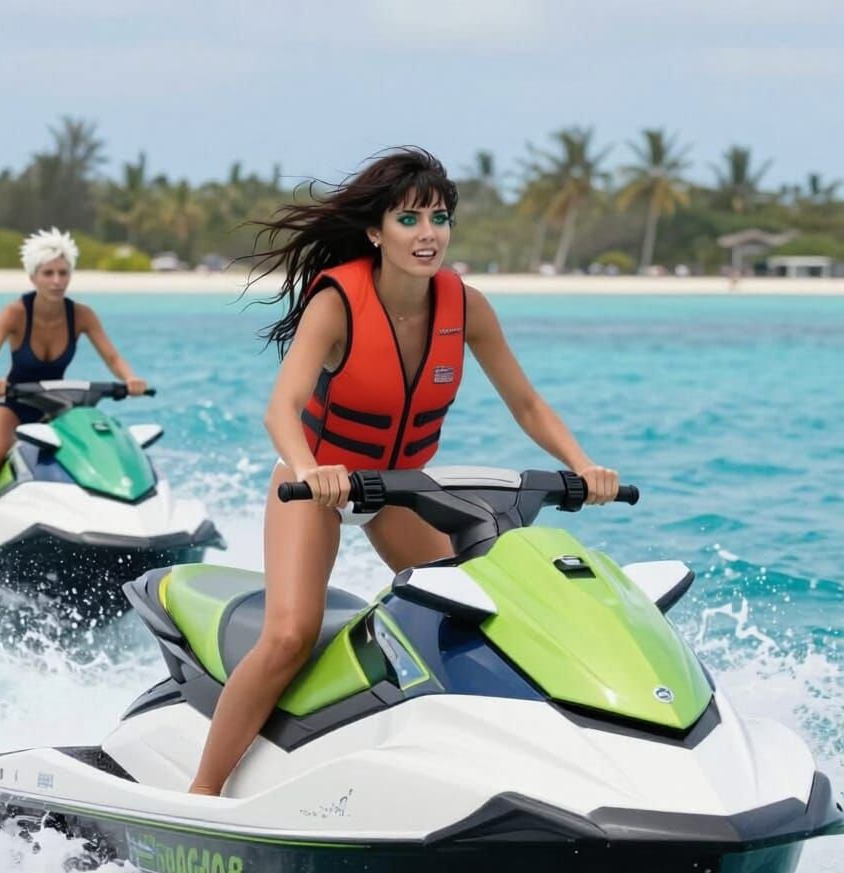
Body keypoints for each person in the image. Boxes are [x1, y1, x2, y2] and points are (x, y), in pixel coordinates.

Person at [189, 148, 620, 796]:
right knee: (288, 635)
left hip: (402, 489)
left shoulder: (467, 306)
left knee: (485, 613)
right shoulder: (337, 303)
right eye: (409, 219)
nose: (428, 235)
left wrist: (583, 466)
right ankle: (202, 792)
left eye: (439, 219)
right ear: (376, 232)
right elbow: (282, 407)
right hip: (315, 482)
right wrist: (312, 469)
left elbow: (527, 403)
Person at [0, 228, 147, 528]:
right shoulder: (14, 313)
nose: (56, 281)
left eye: (63, 273)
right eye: (48, 273)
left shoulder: (82, 315)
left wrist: (131, 379)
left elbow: (113, 358)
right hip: (14, 405)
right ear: (33, 277)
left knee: (85, 456)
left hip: (56, 410)